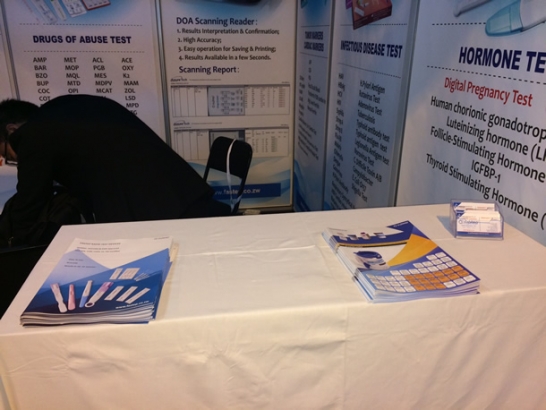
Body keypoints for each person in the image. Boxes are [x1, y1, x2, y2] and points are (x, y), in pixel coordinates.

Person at [0, 94, 228, 248]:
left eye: (6, 153)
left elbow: (31, 197)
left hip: (150, 207)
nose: (14, 158)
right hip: (176, 189)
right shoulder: (61, 110)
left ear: (12, 130)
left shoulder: (32, 134)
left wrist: (11, 242)